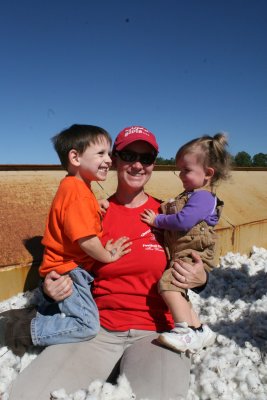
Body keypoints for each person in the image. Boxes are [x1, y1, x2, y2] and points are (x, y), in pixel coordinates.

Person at [8, 126, 208, 400]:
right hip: (95, 330)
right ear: (114, 159)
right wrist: (47, 292)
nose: (137, 164)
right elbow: (64, 262)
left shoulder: (168, 216)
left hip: (156, 333)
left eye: (146, 158)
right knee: (29, 394)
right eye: (128, 155)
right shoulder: (91, 210)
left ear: (153, 165)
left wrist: (201, 279)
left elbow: (197, 256)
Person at [5, 124, 131, 356]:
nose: (109, 160)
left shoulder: (75, 186)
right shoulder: (78, 193)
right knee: (88, 325)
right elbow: (86, 240)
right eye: (101, 153)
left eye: (109, 153)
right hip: (69, 273)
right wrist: (108, 255)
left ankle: (39, 314)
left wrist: (97, 205)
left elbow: (76, 216)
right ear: (75, 157)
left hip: (68, 269)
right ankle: (19, 329)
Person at [141, 133, 231, 353]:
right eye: (180, 169)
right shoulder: (192, 195)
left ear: (208, 173)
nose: (180, 174)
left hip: (193, 253)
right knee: (180, 290)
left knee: (168, 285)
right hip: (185, 251)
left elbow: (183, 221)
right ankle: (200, 330)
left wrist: (157, 220)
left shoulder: (202, 197)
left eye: (186, 170)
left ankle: (185, 332)